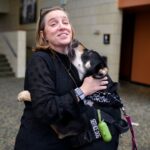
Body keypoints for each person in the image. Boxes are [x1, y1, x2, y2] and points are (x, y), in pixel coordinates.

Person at [14, 6, 123, 150]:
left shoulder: (78, 58)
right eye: (53, 24)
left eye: (65, 22)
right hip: (42, 142)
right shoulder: (40, 60)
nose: (61, 27)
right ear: (43, 35)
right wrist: (83, 91)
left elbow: (107, 89)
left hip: (75, 141)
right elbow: (47, 110)